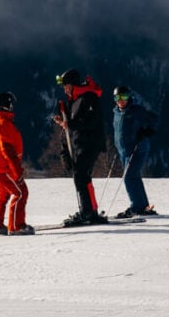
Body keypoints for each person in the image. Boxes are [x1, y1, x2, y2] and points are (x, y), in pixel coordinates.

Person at [54, 69, 107, 226]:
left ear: (73, 84)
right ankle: (90, 210)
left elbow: (90, 121)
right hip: (81, 143)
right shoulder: (75, 99)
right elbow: (73, 124)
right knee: (82, 176)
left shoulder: (88, 97)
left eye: (66, 86)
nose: (65, 89)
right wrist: (65, 123)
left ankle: (87, 213)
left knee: (81, 176)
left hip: (90, 142)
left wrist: (69, 124)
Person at [0, 91, 34, 236]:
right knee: (20, 193)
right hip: (3, 166)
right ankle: (17, 226)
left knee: (2, 194)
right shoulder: (2, 123)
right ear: (5, 105)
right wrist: (17, 171)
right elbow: (8, 151)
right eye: (10, 103)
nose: (12, 106)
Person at [112, 84, 158, 217]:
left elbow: (154, 118)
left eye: (124, 97)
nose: (121, 100)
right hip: (123, 151)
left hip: (138, 148)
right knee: (134, 177)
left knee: (129, 177)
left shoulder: (136, 110)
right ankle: (143, 206)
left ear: (129, 97)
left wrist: (147, 131)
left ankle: (137, 207)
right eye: (117, 97)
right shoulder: (116, 113)